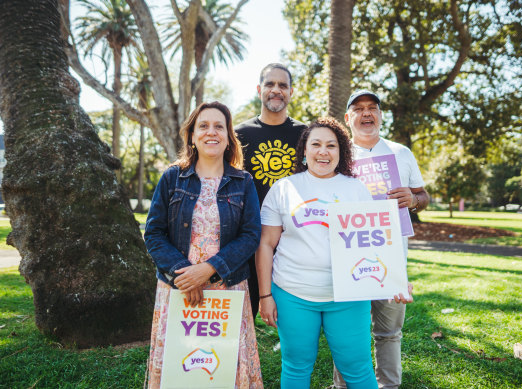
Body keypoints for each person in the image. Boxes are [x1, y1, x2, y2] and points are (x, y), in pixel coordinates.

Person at [144, 101, 263, 388]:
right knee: (180, 367)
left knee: (223, 369)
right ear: (193, 136)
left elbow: (251, 235)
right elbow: (154, 234)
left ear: (228, 136)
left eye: (219, 126)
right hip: (179, 287)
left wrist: (208, 269)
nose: (212, 132)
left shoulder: (243, 181)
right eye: (204, 126)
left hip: (228, 287)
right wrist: (185, 274)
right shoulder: (172, 177)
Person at [256, 117, 378, 389]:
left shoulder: (356, 190)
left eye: (331, 145)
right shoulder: (284, 188)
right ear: (305, 150)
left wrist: (394, 277)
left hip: (348, 296)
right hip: (292, 294)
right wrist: (265, 296)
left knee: (357, 368)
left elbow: (375, 243)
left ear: (341, 151)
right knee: (296, 366)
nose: (324, 151)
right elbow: (266, 244)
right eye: (317, 144)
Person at [333, 90, 430, 389]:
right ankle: (343, 386)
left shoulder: (400, 153)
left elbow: (424, 195)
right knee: (349, 333)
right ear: (348, 118)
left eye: (372, 108)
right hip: (348, 259)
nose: (366, 114)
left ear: (380, 115)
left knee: (389, 333)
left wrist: (413, 199)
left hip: (392, 260)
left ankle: (389, 385)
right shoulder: (337, 153)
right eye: (358, 109)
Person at [235, 63, 306, 318]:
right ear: (259, 89)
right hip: (248, 235)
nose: (276, 90)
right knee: (244, 312)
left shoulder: (305, 134)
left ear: (291, 92)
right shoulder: (239, 134)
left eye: (283, 85)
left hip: (293, 236)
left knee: (294, 313)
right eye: (270, 84)